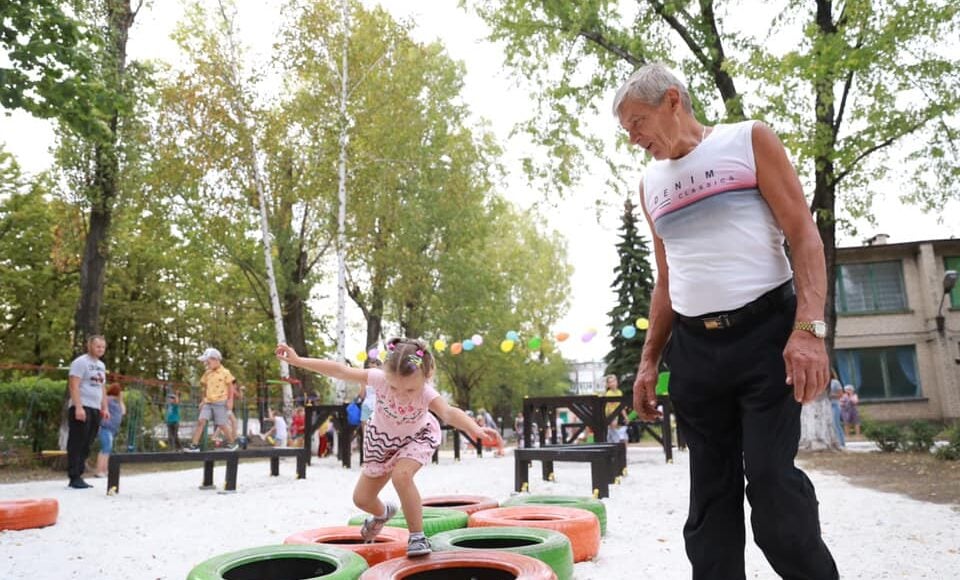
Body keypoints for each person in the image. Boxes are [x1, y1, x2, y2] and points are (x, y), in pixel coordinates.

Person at [616, 63, 838, 579]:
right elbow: (666, 280)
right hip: (695, 351)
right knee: (710, 501)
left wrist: (809, 329)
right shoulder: (651, 183)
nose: (633, 138)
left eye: (637, 122)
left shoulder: (748, 140)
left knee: (771, 485)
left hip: (767, 338)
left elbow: (804, 235)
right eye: (626, 131)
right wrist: (649, 361)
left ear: (673, 100)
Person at [276, 337, 500, 557]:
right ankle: (383, 514)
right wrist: (299, 361)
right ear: (386, 373)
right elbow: (341, 371)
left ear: (426, 376)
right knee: (362, 499)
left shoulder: (426, 393)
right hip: (381, 441)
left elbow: (449, 412)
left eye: (410, 390)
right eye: (394, 387)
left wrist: (475, 429)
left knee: (401, 477)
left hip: (417, 437)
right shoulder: (378, 378)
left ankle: (417, 536)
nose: (401, 395)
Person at [66, 335, 110, 489]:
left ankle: (80, 473)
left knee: (88, 442)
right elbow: (74, 385)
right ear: (89, 346)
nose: (101, 349)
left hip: (95, 408)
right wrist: (78, 407)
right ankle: (74, 476)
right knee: (77, 441)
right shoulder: (80, 362)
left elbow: (102, 387)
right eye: (98, 346)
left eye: (103, 347)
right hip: (82, 406)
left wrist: (104, 407)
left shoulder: (101, 366)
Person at [186, 348, 239, 452]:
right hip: (208, 402)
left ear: (216, 360)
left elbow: (230, 387)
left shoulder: (225, 372)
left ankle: (232, 443)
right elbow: (205, 388)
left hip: (221, 402)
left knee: (222, 424)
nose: (206, 363)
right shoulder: (207, 373)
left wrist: (230, 401)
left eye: (208, 361)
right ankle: (194, 445)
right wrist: (203, 400)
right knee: (201, 421)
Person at [95, 383, 126, 477]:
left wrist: (121, 400)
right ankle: (99, 471)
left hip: (111, 429)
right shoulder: (108, 399)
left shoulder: (117, 401)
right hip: (105, 427)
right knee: (105, 448)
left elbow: (123, 411)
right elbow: (101, 406)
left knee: (107, 449)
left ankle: (104, 470)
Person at [603, 375, 628, 444]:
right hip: (610, 415)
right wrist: (613, 418)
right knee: (613, 431)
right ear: (608, 385)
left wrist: (625, 417)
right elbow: (610, 408)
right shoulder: (609, 394)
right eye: (610, 382)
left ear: (617, 382)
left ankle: (613, 443)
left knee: (616, 433)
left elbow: (621, 406)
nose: (612, 383)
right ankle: (612, 444)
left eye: (614, 381)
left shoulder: (619, 392)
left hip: (617, 414)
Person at [828, 371, 845, 447]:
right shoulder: (824, 382)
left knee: (836, 424)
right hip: (826, 407)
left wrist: (830, 395)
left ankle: (841, 443)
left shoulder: (835, 382)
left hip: (834, 405)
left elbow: (840, 394)